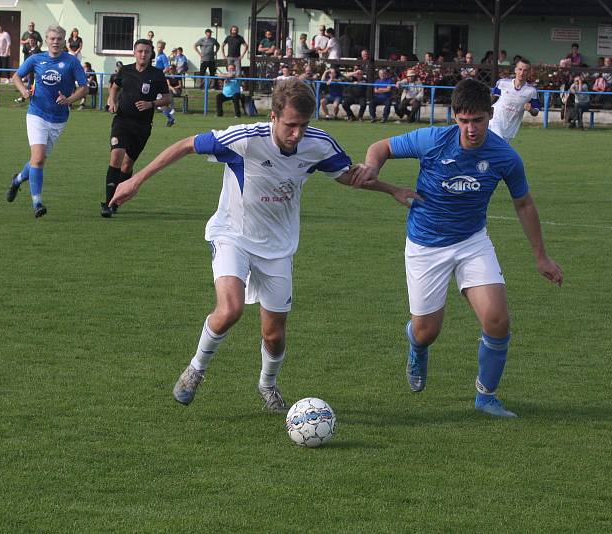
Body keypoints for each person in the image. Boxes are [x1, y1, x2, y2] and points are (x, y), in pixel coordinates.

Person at [108, 78, 414, 412]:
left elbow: (346, 175)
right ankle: (196, 369)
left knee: (274, 334)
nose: (297, 134)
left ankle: (267, 385)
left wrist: (392, 189)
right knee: (230, 310)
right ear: (274, 117)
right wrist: (136, 180)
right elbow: (185, 144)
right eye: (290, 126)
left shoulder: (318, 144)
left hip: (278, 246)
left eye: (303, 126)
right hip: (233, 236)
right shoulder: (245, 139)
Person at [354, 78, 563, 418]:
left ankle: (486, 397)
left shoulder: (505, 156)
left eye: (478, 120)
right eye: (464, 120)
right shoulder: (433, 139)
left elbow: (523, 203)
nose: (471, 129)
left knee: (497, 320)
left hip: (472, 242)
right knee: (427, 332)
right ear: (454, 117)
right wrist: (373, 169)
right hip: (426, 245)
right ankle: (416, 343)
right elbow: (381, 147)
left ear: (489, 114)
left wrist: (541, 256)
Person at [5, 24, 88, 218]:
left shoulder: (71, 62)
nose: (55, 42)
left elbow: (83, 87)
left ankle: (17, 180)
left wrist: (69, 100)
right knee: (39, 157)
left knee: (37, 160)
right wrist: (24, 90)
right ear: (46, 40)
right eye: (52, 38)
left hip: (59, 118)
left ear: (64, 41)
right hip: (37, 114)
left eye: (59, 39)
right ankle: (37, 203)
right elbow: (16, 76)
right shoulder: (36, 59)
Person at [99, 39, 171, 218]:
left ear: (151, 54)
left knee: (127, 165)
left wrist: (151, 103)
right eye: (140, 51)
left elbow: (168, 98)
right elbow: (114, 87)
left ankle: (116, 201)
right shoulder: (125, 70)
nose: (143, 54)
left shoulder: (156, 74)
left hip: (142, 126)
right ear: (134, 52)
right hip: (122, 120)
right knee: (116, 156)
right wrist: (111, 100)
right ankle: (108, 203)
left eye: (146, 52)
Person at [489, 59, 541, 142]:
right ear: (515, 70)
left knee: (499, 151)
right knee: (496, 144)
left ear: (528, 73)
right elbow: (492, 98)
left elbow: (536, 112)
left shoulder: (531, 91)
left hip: (510, 129)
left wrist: (531, 109)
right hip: (495, 121)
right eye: (520, 69)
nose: (522, 73)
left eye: (525, 70)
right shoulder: (502, 83)